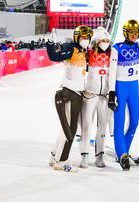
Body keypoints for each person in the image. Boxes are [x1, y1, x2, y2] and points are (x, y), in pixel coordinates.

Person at [107, 17, 139, 170]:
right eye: (131, 32)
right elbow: (112, 71)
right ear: (125, 32)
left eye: (136, 33)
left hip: (134, 87)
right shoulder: (116, 47)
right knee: (119, 123)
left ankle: (123, 153)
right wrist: (111, 93)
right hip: (120, 87)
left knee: (134, 121)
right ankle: (122, 154)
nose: (134, 35)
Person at [47, 25, 92, 172]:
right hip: (67, 93)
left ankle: (55, 156)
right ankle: (62, 161)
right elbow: (54, 56)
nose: (85, 40)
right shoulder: (72, 49)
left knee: (67, 129)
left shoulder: (84, 52)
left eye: (87, 37)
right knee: (70, 130)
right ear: (77, 37)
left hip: (77, 94)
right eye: (83, 37)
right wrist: (50, 44)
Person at [80, 27, 112, 169]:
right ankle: (84, 155)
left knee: (102, 127)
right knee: (86, 125)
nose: (104, 43)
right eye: (102, 41)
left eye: (107, 41)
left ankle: (99, 155)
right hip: (90, 94)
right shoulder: (91, 52)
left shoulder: (112, 54)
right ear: (97, 41)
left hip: (104, 96)